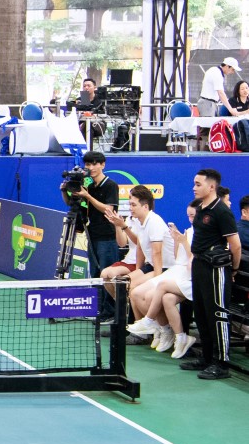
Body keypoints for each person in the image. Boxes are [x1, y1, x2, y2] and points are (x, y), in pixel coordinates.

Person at [182, 169, 241, 380]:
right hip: (199, 265)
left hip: (216, 269)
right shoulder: (200, 208)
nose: (194, 188)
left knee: (217, 315)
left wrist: (233, 270)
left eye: (198, 184)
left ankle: (221, 364)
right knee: (201, 313)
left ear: (212, 186)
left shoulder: (221, 211)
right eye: (194, 183)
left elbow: (235, 245)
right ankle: (207, 358)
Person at [128, 205, 196, 357]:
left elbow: (194, 259)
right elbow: (178, 258)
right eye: (189, 216)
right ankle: (164, 330)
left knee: (159, 292)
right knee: (136, 293)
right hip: (177, 271)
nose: (191, 219)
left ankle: (151, 322)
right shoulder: (189, 231)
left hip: (190, 276)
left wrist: (184, 243)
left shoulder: (204, 234)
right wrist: (177, 241)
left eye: (193, 215)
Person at [62, 151, 121, 318]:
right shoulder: (89, 186)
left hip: (107, 237)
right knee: (95, 274)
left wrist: (87, 196)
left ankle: (110, 312)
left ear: (103, 165)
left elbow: (109, 209)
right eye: (88, 164)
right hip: (92, 235)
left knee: (107, 275)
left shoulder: (110, 185)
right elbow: (74, 203)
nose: (91, 167)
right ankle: (98, 309)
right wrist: (65, 192)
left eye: (95, 164)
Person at [101, 186, 168, 317]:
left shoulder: (154, 221)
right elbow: (136, 247)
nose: (130, 208)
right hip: (148, 265)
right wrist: (118, 226)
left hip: (164, 267)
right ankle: (128, 315)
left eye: (133, 204)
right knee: (118, 282)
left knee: (131, 287)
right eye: (130, 204)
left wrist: (157, 279)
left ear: (145, 206)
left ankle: (142, 321)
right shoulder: (141, 222)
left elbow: (157, 253)